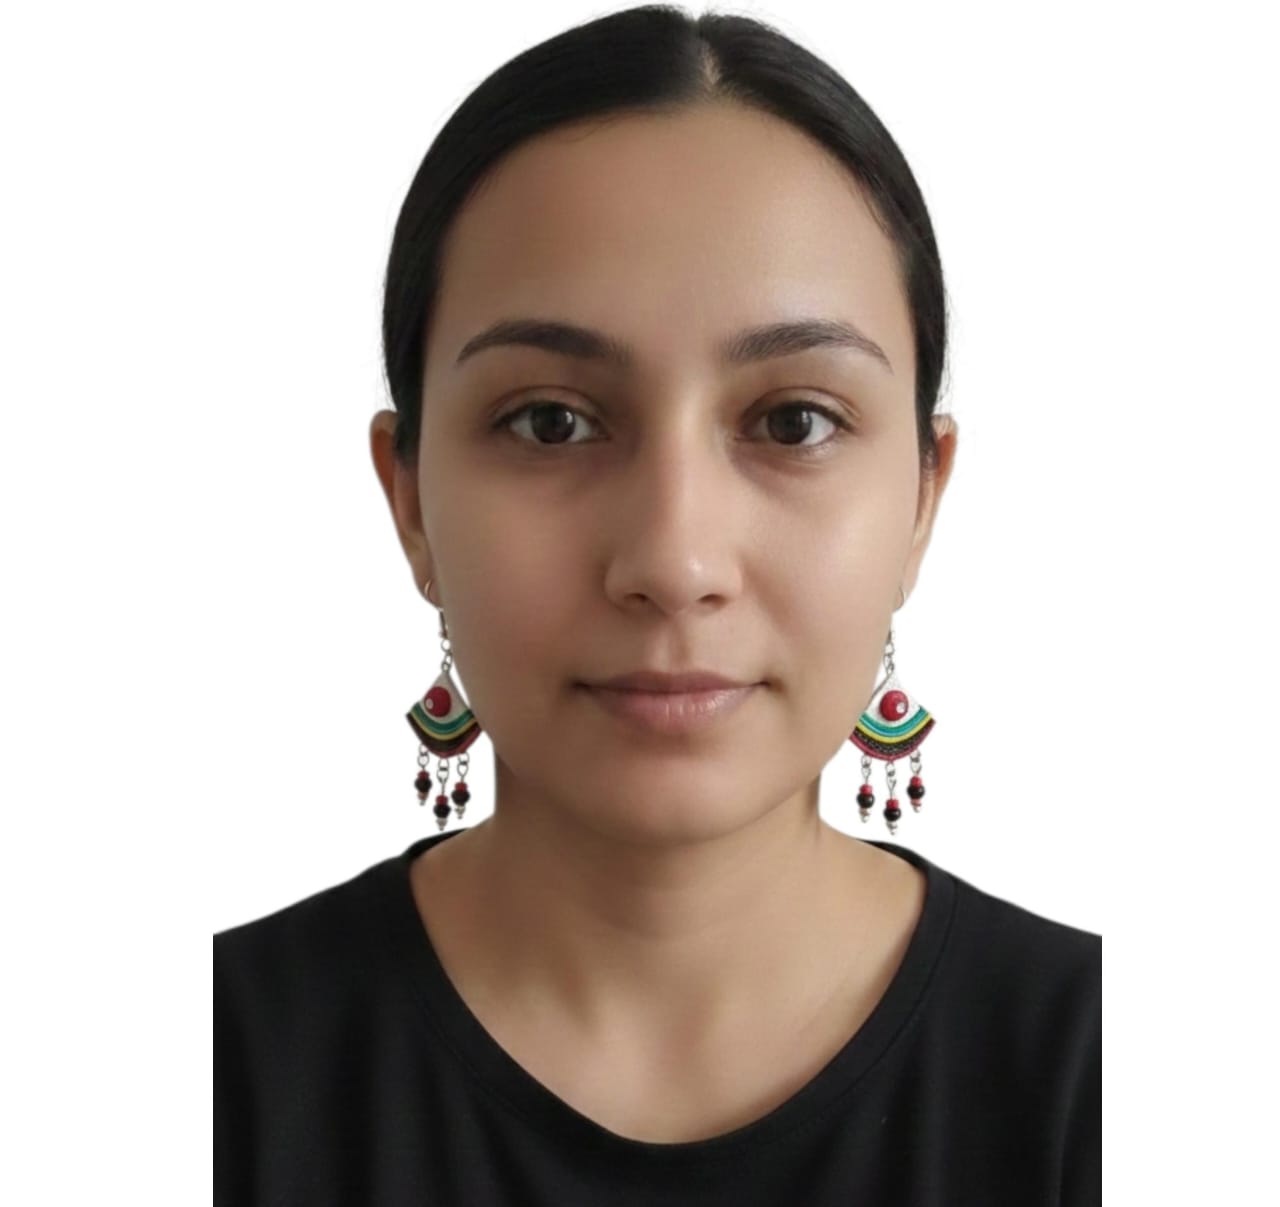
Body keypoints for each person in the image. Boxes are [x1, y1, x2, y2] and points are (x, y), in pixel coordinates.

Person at [214, 5, 1101, 1204]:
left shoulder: (1126, 1078)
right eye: (549, 423)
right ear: (409, 498)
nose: (674, 561)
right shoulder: (191, 1075)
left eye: (792, 421)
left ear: (919, 501)